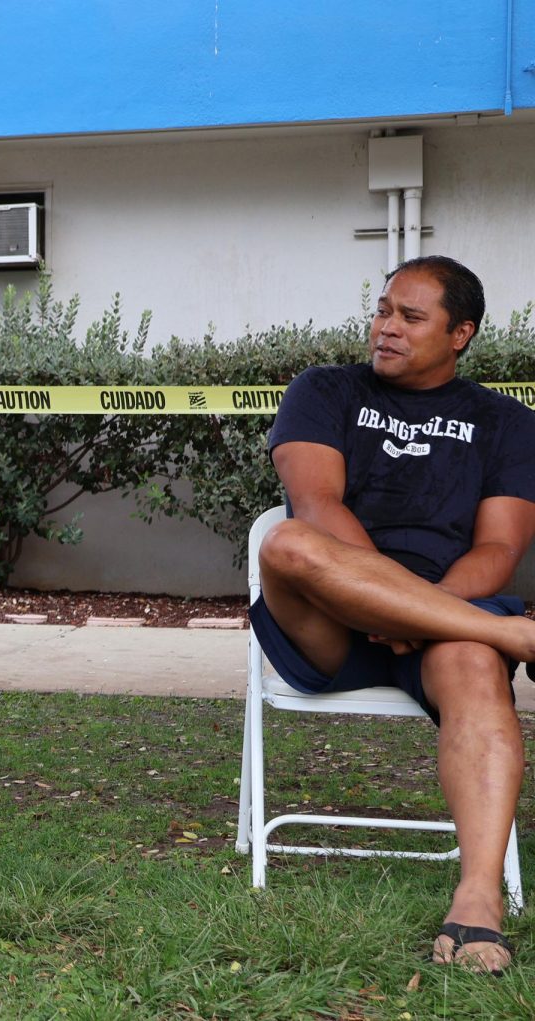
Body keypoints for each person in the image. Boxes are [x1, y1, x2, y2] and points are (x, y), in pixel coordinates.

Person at [251, 255, 535, 973]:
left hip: (450, 620)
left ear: (461, 332)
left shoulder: (506, 423)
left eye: (411, 317)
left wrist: (424, 614)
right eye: (383, 311)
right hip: (329, 614)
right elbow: (317, 507)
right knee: (286, 540)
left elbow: (499, 547)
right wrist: (387, 601)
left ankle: (478, 898)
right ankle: (512, 635)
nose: (387, 328)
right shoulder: (324, 391)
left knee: (473, 665)